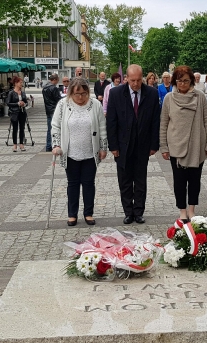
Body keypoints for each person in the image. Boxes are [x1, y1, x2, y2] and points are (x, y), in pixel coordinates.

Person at [106, 64, 160, 225]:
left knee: (140, 180)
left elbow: (155, 121)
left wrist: (154, 144)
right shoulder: (116, 93)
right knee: (125, 181)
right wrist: (113, 146)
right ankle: (128, 212)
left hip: (142, 144)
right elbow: (111, 122)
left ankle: (139, 212)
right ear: (126, 78)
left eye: (138, 80)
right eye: (132, 80)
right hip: (123, 145)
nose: (136, 84)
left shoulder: (151, 93)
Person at [160, 66, 207, 222]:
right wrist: (163, 146)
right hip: (176, 146)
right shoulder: (169, 98)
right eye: (179, 80)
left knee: (194, 180)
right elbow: (163, 124)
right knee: (179, 181)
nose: (182, 84)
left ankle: (192, 210)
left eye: (185, 80)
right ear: (174, 81)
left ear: (191, 80)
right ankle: (182, 211)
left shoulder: (200, 97)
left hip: (196, 145)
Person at [51, 77, 108, 226]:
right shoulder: (63, 105)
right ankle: (72, 214)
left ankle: (88, 213)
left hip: (90, 152)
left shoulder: (95, 105)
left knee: (89, 184)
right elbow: (55, 126)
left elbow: (102, 127)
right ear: (71, 93)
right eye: (77, 94)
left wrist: (103, 147)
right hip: (70, 153)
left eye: (84, 93)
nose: (81, 97)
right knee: (73, 184)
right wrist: (56, 145)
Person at [7, 76, 30, 152]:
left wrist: (24, 104)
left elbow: (26, 102)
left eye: (22, 82)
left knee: (22, 128)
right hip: (14, 112)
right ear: (16, 83)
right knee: (15, 128)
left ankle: (21, 143)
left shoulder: (22, 92)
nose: (21, 84)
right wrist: (17, 104)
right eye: (20, 82)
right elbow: (8, 103)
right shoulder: (11, 93)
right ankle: (14, 144)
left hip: (22, 112)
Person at [42, 74, 62, 151]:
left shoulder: (44, 88)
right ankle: (53, 145)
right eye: (57, 80)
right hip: (54, 109)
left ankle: (48, 145)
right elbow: (58, 99)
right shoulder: (53, 88)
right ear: (55, 79)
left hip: (48, 109)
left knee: (49, 128)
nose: (57, 82)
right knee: (55, 128)